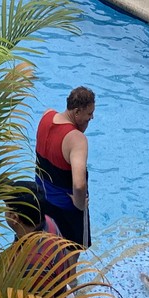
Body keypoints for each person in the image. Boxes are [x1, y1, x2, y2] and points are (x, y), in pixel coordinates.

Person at [33, 87, 94, 249]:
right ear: (77, 112)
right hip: (66, 211)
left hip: (42, 201)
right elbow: (79, 185)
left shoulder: (47, 115)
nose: (91, 118)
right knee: (70, 256)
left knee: (46, 251)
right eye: (89, 114)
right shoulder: (76, 139)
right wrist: (80, 205)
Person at [2, 182, 71, 298]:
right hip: (61, 290)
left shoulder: (33, 263)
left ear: (14, 217)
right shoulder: (47, 222)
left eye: (6, 207)